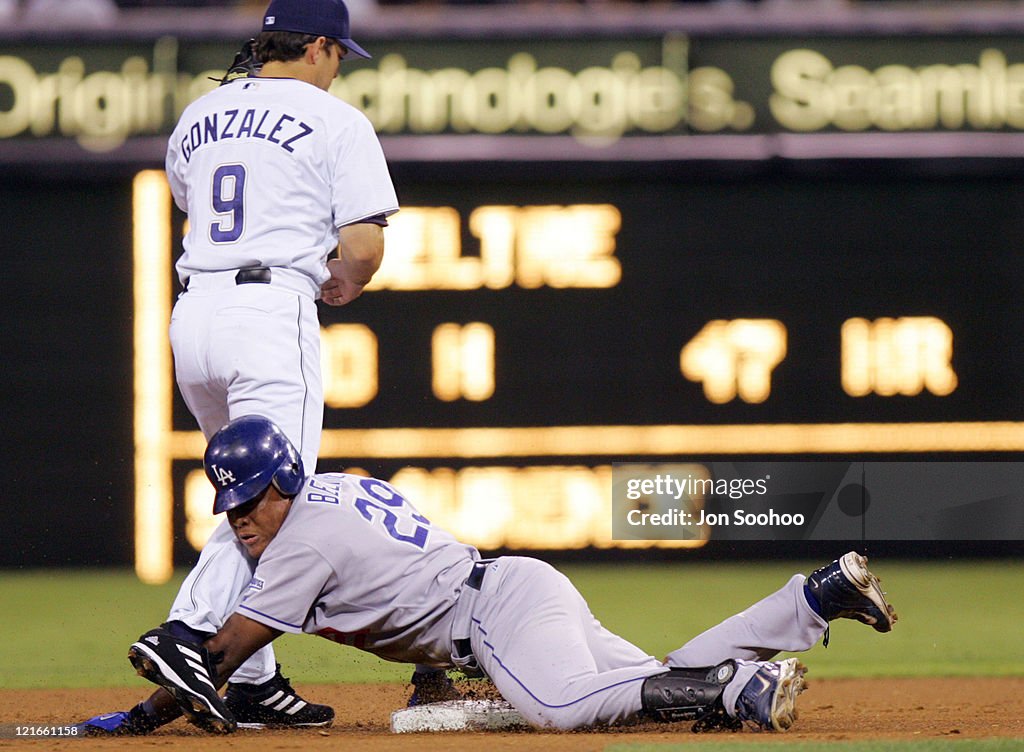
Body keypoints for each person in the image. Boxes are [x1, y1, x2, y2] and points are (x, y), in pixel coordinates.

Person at [116, 415, 898, 734]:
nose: (238, 515)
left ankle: (736, 690)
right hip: (506, 593)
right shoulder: (337, 490)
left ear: (283, 480)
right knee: (649, 684)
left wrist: (143, 717)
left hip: (490, 615)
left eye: (252, 498)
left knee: (561, 709)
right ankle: (811, 598)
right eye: (229, 503)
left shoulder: (298, 543)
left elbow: (219, 655)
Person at [77, 0, 404, 735]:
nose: (338, 67)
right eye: (339, 54)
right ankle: (186, 635)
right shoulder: (336, 120)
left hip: (194, 315)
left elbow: (198, 203)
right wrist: (342, 282)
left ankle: (253, 680)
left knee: (242, 488)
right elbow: (363, 247)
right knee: (275, 496)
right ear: (318, 45)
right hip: (269, 312)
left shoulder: (200, 112)